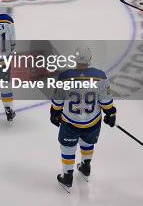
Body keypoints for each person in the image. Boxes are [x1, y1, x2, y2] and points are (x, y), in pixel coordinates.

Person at [51, 46, 116, 191]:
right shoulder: (100, 76)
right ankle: (86, 166)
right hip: (92, 121)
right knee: (88, 142)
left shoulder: (65, 76)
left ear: (74, 59)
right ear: (90, 59)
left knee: (68, 147)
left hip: (70, 122)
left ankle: (68, 176)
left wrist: (54, 113)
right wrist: (110, 113)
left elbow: (57, 101)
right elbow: (106, 101)